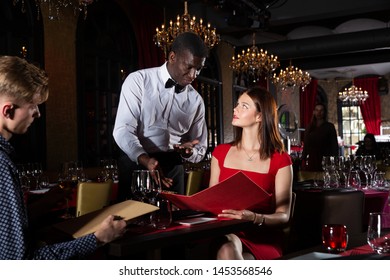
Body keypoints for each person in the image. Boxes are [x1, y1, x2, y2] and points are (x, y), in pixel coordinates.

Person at [0, 56, 126, 259]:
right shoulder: (2, 165)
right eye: (33, 105)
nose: (38, 114)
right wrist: (97, 238)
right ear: (8, 110)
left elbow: (7, 231)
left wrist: (46, 203)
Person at [113, 32, 209, 201]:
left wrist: (188, 153)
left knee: (173, 223)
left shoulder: (196, 101)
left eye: (199, 69)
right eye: (189, 67)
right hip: (137, 163)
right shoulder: (138, 81)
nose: (194, 75)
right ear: (172, 57)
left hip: (173, 167)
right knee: (134, 223)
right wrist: (145, 159)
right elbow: (122, 130)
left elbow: (200, 147)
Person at [209, 86, 293, 260]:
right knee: (227, 247)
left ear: (260, 116)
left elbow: (284, 215)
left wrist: (254, 217)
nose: (235, 109)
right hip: (225, 230)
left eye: (244, 106)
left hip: (261, 234)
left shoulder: (280, 159)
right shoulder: (220, 153)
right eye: (237, 104)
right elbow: (211, 202)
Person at [302, 103, 339, 171]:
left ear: (324, 112)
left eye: (321, 110)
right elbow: (306, 145)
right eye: (317, 110)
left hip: (326, 159)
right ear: (314, 112)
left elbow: (334, 146)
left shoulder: (329, 126)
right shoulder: (309, 127)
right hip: (312, 159)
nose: (319, 113)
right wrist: (303, 160)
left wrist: (335, 161)